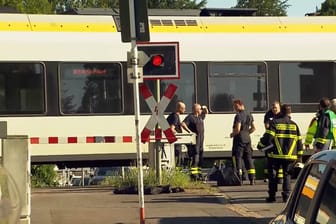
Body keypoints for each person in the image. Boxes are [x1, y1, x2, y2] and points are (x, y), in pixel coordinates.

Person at [257, 104, 303, 203]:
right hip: (290, 156)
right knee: (287, 176)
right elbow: (299, 141)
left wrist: (260, 145)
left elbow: (268, 137)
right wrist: (300, 156)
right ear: (290, 113)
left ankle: (272, 197)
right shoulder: (294, 125)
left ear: (281, 112)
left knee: (273, 176)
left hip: (275, 155)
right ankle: (286, 197)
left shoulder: (274, 123)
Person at [230, 99, 256, 185]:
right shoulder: (249, 114)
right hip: (247, 139)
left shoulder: (238, 116)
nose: (235, 108)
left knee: (238, 158)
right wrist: (246, 133)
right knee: (248, 158)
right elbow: (253, 128)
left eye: (235, 106)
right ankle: (252, 179)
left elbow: (237, 129)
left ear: (240, 105)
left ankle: (239, 178)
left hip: (239, 139)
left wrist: (232, 134)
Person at [182, 103, 208, 178]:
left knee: (200, 158)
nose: (201, 110)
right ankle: (194, 175)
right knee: (195, 158)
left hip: (201, 140)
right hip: (195, 141)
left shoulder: (200, 117)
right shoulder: (190, 117)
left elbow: (206, 112)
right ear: (196, 110)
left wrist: (204, 107)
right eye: (200, 109)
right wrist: (190, 132)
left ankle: (199, 175)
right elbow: (183, 124)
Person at [263, 101, 283, 183]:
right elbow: (267, 126)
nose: (274, 109)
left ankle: (280, 178)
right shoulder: (268, 114)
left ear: (279, 108)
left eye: (276, 108)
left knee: (280, 158)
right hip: (271, 139)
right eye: (273, 107)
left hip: (280, 139)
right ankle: (269, 177)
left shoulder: (282, 114)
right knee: (269, 158)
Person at [166, 101, 187, 167]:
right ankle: (177, 171)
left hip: (173, 142)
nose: (185, 110)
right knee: (178, 158)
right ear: (179, 108)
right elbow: (172, 129)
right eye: (183, 108)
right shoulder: (175, 116)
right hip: (176, 143)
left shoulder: (172, 115)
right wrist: (178, 135)